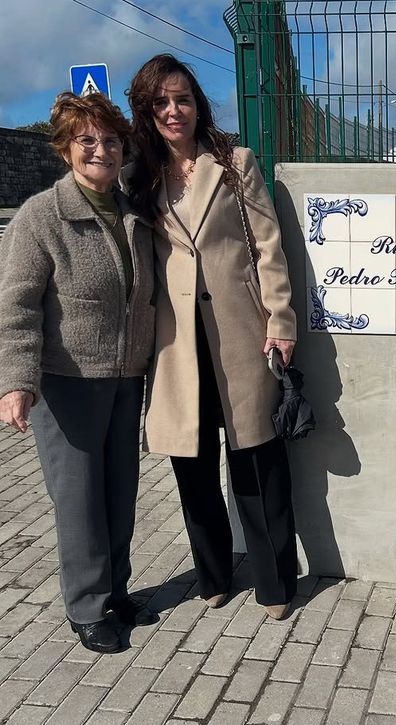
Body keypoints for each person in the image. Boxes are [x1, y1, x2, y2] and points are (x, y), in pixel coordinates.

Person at [126, 54, 298, 620]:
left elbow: (267, 246)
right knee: (191, 465)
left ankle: (276, 583)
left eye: (183, 99)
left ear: (198, 104)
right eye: (161, 103)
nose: (174, 111)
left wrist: (281, 319)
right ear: (147, 112)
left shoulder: (233, 162)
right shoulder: (141, 176)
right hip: (175, 341)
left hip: (240, 331)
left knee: (256, 459)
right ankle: (214, 574)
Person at [0, 92, 157, 653]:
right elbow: (16, 303)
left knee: (120, 490)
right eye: (87, 140)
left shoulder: (135, 210)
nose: (101, 150)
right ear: (66, 150)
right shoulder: (42, 215)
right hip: (66, 380)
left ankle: (116, 589)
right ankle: (87, 607)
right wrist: (16, 381)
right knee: (79, 498)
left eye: (110, 140)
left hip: (124, 375)